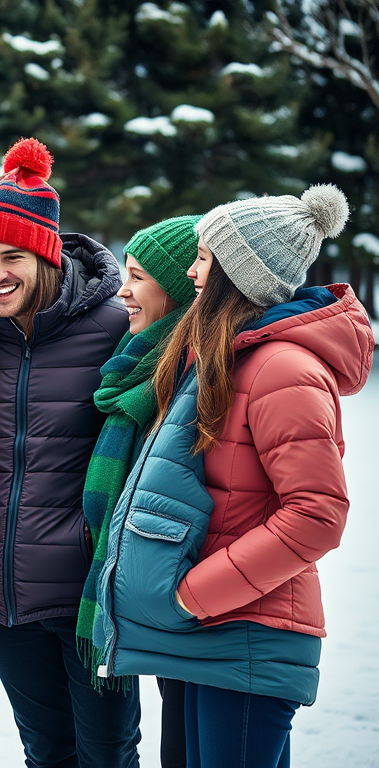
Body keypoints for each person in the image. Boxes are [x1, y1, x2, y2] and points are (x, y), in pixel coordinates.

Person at [95, 185, 374, 768]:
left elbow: (317, 514)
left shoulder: (283, 368)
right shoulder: (225, 355)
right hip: (210, 632)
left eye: (204, 258)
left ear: (237, 272)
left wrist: (195, 594)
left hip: (245, 636)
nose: (193, 273)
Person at [0, 137, 139, 768]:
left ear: (46, 255)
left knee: (107, 753)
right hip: (7, 596)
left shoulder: (116, 327)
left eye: (12, 256)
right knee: (45, 751)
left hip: (91, 596)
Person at [75, 215, 202, 768]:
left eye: (137, 277)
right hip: (143, 589)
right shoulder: (138, 366)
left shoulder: (198, 373)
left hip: (190, 600)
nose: (122, 291)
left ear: (174, 289)